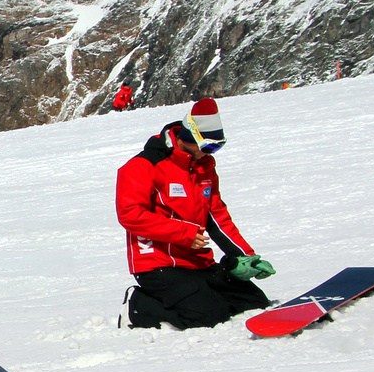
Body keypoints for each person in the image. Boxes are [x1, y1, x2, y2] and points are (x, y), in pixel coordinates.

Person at [116, 97, 276, 329]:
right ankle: (138, 305)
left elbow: (216, 216)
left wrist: (244, 256)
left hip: (197, 261)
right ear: (189, 137)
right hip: (158, 264)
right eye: (209, 146)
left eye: (217, 147)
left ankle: (202, 295)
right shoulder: (144, 165)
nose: (211, 153)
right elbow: (130, 215)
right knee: (207, 316)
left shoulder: (204, 167)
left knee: (253, 302)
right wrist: (184, 233)